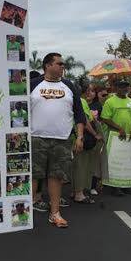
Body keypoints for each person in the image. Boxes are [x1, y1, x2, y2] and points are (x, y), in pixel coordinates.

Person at [30, 52, 85, 228]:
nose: (63, 66)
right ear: (47, 65)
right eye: (59, 63)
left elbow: (79, 114)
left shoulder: (70, 86)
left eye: (63, 64)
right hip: (35, 138)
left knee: (56, 177)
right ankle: (23, 213)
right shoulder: (32, 85)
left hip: (62, 140)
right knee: (32, 176)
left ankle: (55, 213)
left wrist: (80, 137)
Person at [101, 79, 131, 196]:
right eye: (120, 87)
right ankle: (114, 186)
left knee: (127, 160)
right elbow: (105, 118)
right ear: (115, 88)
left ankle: (126, 185)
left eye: (126, 87)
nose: (123, 89)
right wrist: (119, 128)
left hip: (129, 137)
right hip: (115, 137)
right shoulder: (110, 102)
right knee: (114, 161)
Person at [72, 80, 103, 203]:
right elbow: (84, 121)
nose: (92, 93)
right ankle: (79, 194)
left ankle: (75, 191)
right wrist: (95, 134)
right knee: (82, 166)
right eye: (90, 90)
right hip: (84, 137)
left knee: (76, 166)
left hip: (75, 137)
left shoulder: (75, 100)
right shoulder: (81, 101)